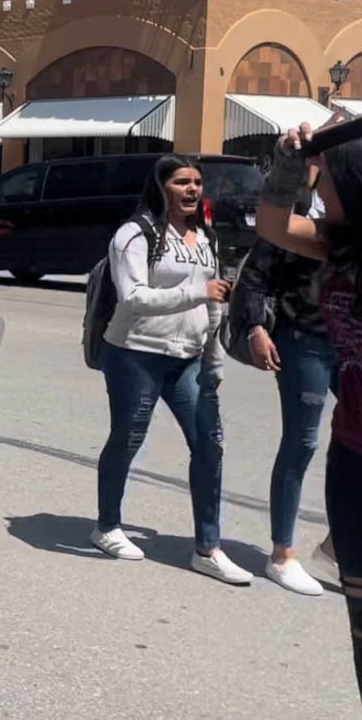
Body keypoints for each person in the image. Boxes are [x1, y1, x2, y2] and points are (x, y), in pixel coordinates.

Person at [88, 155, 246, 583]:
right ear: (161, 187)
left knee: (209, 444)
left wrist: (214, 361)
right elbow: (134, 297)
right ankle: (107, 526)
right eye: (181, 182)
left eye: (197, 182)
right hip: (135, 352)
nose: (192, 189)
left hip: (189, 357)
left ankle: (208, 548)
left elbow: (214, 305)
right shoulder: (135, 234)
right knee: (127, 438)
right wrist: (197, 289)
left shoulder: (205, 237)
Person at [258, 119, 362, 699]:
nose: (317, 190)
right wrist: (291, 161)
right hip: (352, 458)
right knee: (360, 628)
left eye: (326, 181)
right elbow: (274, 225)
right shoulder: (333, 241)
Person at [234, 173, 335, 596]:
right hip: (303, 339)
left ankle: (338, 545)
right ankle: (282, 554)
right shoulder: (294, 219)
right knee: (303, 441)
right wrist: (256, 327)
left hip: (349, 341)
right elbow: (255, 276)